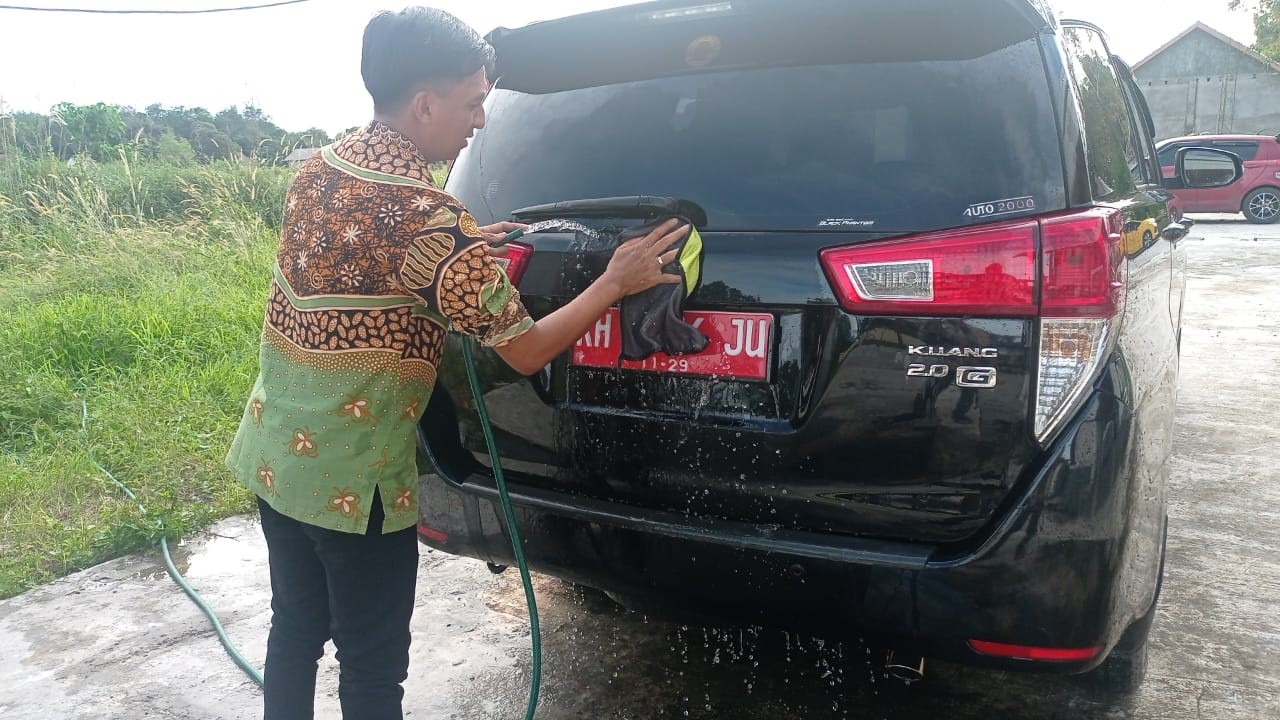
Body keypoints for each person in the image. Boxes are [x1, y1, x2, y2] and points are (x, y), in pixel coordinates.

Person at [224, 7, 688, 719]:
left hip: (277, 454)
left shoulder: (320, 170)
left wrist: (469, 244)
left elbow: (378, 263)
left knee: (296, 630)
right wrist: (614, 282)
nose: (479, 120)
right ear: (424, 104)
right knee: (372, 668)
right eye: (473, 102)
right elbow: (525, 349)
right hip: (355, 484)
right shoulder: (429, 222)